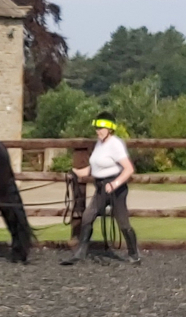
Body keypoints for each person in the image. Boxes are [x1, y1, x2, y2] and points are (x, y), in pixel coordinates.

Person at [60, 111, 140, 265]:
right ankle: (81, 252)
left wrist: (114, 184)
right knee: (87, 217)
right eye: (97, 128)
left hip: (116, 190)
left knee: (123, 223)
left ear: (110, 129)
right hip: (101, 188)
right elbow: (95, 167)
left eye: (101, 128)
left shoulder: (115, 144)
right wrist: (77, 172)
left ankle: (134, 254)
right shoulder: (99, 144)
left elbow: (128, 169)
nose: (98, 131)